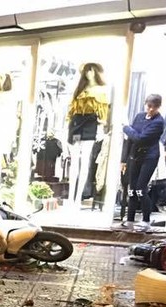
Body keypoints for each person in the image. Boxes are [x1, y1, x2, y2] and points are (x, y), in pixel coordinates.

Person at [66, 63, 110, 208]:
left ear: (96, 71)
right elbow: (71, 110)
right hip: (76, 124)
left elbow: (102, 113)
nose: (89, 73)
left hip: (90, 125)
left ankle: (78, 198)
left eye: (91, 70)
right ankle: (71, 197)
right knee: (74, 163)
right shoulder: (79, 89)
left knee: (85, 162)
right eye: (87, 70)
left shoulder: (101, 90)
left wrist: (100, 128)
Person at [120, 94, 165, 231]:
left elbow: (140, 138)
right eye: (149, 106)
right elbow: (131, 139)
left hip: (149, 157)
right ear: (145, 104)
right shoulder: (139, 116)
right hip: (135, 156)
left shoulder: (159, 122)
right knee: (132, 189)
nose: (150, 110)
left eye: (154, 107)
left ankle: (146, 220)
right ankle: (130, 220)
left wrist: (126, 128)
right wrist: (124, 159)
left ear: (158, 107)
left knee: (141, 189)